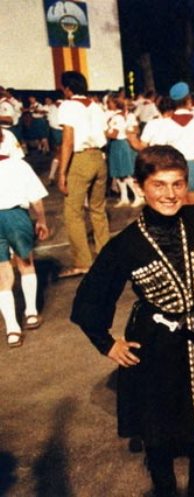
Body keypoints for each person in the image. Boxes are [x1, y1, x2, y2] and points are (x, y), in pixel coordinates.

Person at [71, 145, 194, 497]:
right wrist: (106, 343)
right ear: (141, 186)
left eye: (177, 184)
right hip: (154, 342)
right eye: (159, 185)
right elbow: (90, 298)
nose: (170, 194)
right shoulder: (126, 243)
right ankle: (166, 490)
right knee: (159, 429)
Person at [56, 70, 110, 278]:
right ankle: (106, 254)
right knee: (98, 209)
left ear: (68, 88)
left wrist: (62, 172)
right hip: (99, 157)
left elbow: (68, 140)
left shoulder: (68, 105)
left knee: (73, 213)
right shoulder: (96, 106)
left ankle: (82, 262)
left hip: (80, 159)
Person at [0, 149, 49, 348]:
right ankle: (31, 313)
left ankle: (12, 329)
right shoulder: (19, 165)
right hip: (16, 217)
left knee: (2, 275)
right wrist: (41, 221)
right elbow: (36, 199)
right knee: (26, 263)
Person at [105, 93, 141, 207]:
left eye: (110, 102)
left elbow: (114, 134)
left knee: (125, 173)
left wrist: (102, 132)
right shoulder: (116, 116)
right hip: (116, 145)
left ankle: (138, 196)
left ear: (115, 103)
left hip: (120, 144)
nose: (108, 104)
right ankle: (124, 198)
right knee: (118, 174)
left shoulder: (117, 117)